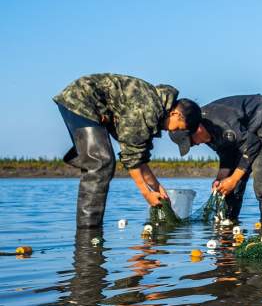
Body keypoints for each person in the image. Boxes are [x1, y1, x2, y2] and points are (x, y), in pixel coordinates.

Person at [54, 73, 201, 228]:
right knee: (101, 163)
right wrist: (147, 194)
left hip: (95, 107)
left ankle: (82, 157)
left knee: (101, 161)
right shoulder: (147, 110)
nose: (173, 131)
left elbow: (139, 159)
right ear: (175, 114)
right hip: (80, 98)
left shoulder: (156, 112)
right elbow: (131, 159)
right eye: (178, 127)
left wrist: (158, 188)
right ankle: (88, 230)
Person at [170, 95, 262, 232]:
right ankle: (230, 224)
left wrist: (233, 180)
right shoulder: (206, 134)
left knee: (261, 168)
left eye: (191, 142)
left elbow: (253, 145)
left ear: (196, 129)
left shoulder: (222, 124)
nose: (195, 145)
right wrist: (220, 180)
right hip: (248, 132)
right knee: (231, 180)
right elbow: (227, 155)